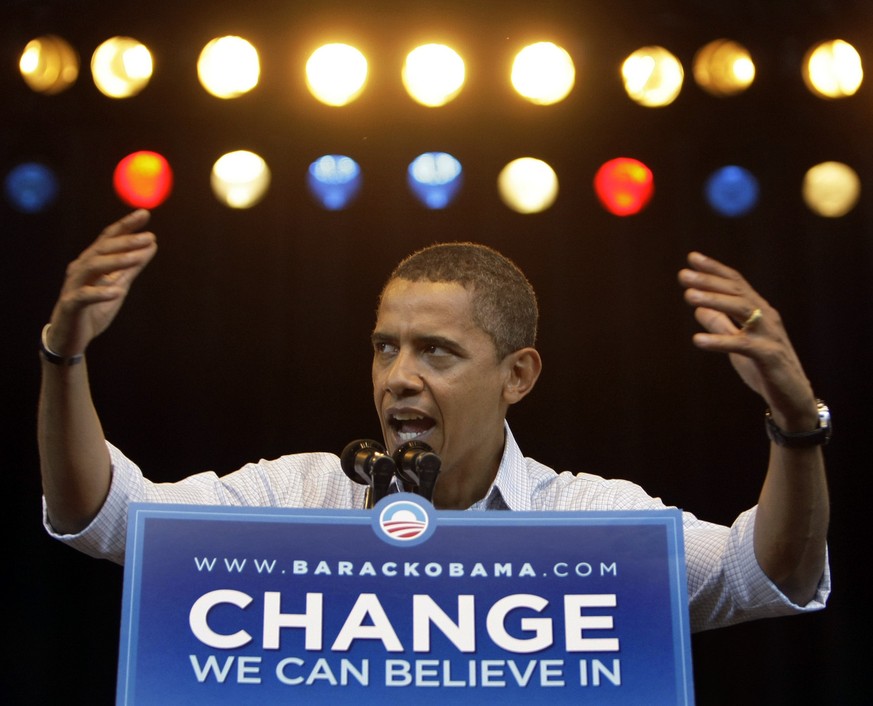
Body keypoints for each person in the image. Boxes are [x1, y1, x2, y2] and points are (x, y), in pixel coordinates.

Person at [39, 209, 830, 633]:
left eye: (437, 352)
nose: (398, 378)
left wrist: (796, 429)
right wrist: (63, 358)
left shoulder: (588, 524)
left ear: (516, 376)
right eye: (385, 348)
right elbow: (105, 515)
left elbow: (762, 572)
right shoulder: (296, 495)